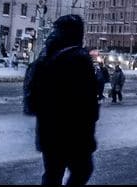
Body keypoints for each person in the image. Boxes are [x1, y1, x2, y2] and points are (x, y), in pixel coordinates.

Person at [23, 14, 98, 185]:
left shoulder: (47, 56)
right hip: (74, 132)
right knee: (83, 170)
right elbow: (86, 102)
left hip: (48, 130)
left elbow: (36, 99)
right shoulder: (79, 58)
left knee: (52, 174)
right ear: (77, 34)